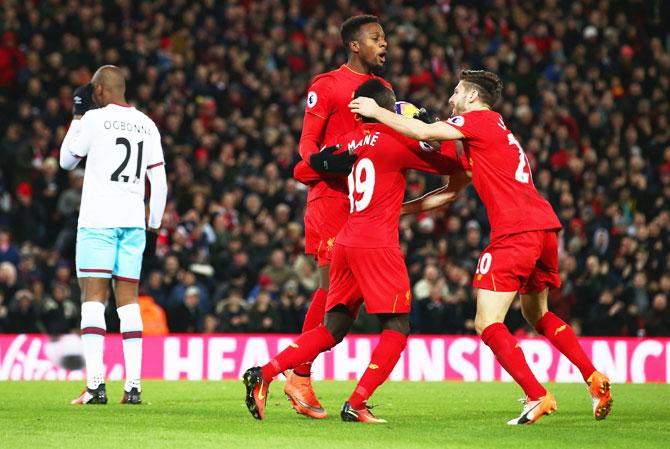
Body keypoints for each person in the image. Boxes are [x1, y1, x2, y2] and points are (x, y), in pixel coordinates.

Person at [349, 70, 613, 425]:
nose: (450, 99)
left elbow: (426, 131)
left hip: (516, 231)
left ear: (472, 98)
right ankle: (594, 378)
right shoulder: (492, 134)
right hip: (543, 228)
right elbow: (451, 191)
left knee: (486, 322)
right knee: (538, 314)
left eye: (456, 92)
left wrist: (377, 111)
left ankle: (538, 395)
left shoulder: (479, 121)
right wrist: (403, 209)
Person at [243, 79, 465, 423]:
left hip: (345, 240)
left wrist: (335, 164)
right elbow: (451, 159)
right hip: (377, 243)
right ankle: (357, 402)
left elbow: (308, 166)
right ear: (388, 109)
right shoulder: (398, 138)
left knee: (333, 327)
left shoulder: (349, 141)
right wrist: (421, 119)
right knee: (398, 326)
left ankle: (265, 372)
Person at [282, 14, 391, 419]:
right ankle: (299, 375)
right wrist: (326, 162)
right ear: (354, 45)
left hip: (367, 203)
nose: (384, 45)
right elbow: (306, 145)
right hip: (331, 199)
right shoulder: (326, 86)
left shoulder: (382, 91)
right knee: (333, 295)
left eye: (385, 38)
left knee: (351, 299)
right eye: (376, 38)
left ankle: (300, 373)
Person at [60, 65, 168, 405]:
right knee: (129, 301)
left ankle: (95, 386)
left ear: (102, 91)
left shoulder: (94, 119)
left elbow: (66, 161)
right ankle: (133, 387)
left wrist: (78, 114)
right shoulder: (148, 124)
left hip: (98, 221)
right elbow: (160, 184)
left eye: (94, 91)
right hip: (134, 222)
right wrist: (153, 228)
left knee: (93, 299)